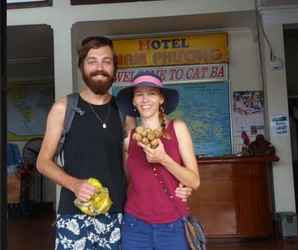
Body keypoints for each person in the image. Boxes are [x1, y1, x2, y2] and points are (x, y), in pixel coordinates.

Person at [36, 36, 191, 250]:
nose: (99, 68)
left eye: (106, 61)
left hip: (119, 216)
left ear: (114, 68)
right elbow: (42, 162)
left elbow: (137, 165)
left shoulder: (124, 112)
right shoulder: (64, 108)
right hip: (74, 217)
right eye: (92, 61)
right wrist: (74, 184)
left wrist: (180, 185)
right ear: (82, 66)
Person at [116, 71, 200, 250]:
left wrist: (163, 159)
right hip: (134, 225)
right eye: (139, 94)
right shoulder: (129, 139)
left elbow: (194, 181)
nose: (145, 99)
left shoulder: (178, 128)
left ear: (161, 99)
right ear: (133, 101)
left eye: (151, 93)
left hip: (173, 224)